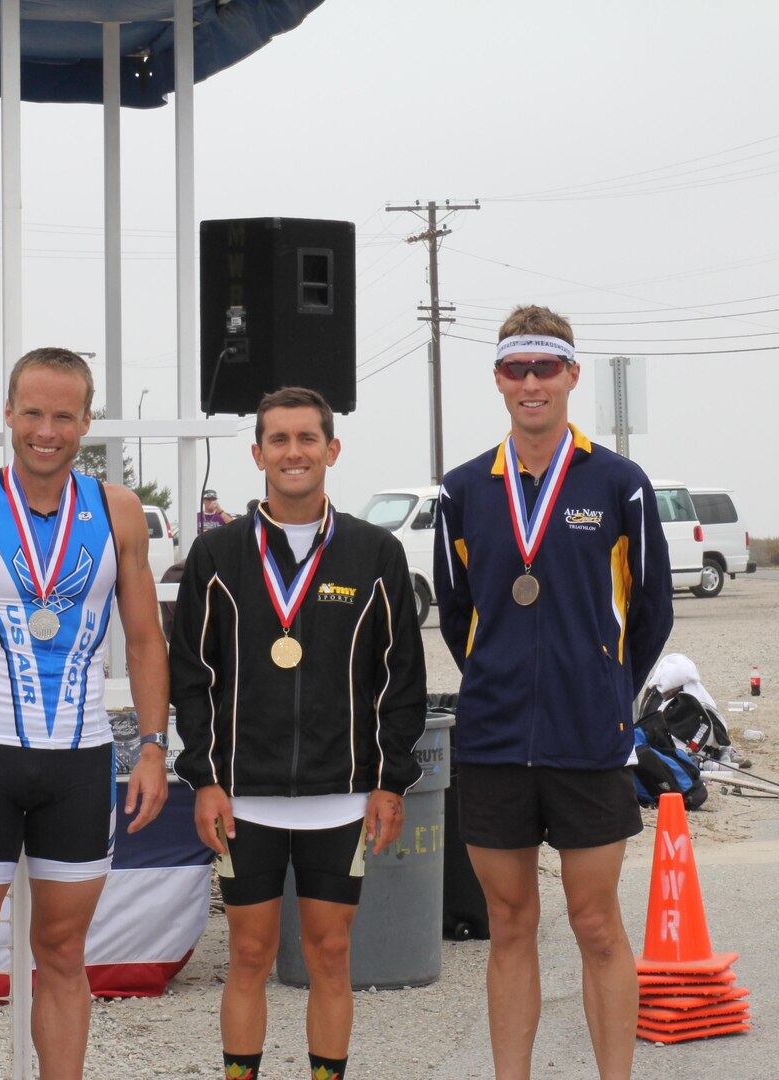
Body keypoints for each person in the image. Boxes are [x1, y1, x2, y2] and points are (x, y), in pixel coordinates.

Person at [0, 347, 170, 1080]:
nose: (45, 431)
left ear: (85, 422)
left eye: (63, 416)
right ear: (9, 414)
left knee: (64, 953)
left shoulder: (118, 511)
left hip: (80, 763)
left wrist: (151, 746)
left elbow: (143, 638)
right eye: (32, 413)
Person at [434, 305, 674, 1080]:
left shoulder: (618, 482)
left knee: (597, 923)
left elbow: (652, 609)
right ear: (499, 380)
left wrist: (608, 690)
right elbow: (458, 612)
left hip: (587, 738)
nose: (531, 383)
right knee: (509, 924)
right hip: (496, 741)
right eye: (515, 368)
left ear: (572, 374)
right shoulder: (463, 490)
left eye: (545, 367)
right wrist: (500, 683)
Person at [171, 387, 427, 1080]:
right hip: (243, 797)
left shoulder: (375, 554)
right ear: (257, 453)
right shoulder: (216, 555)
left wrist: (390, 782)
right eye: (278, 439)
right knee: (249, 954)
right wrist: (204, 779)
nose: (293, 452)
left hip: (341, 798)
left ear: (331, 451)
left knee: (330, 954)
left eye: (306, 439)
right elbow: (190, 678)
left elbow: (403, 678)